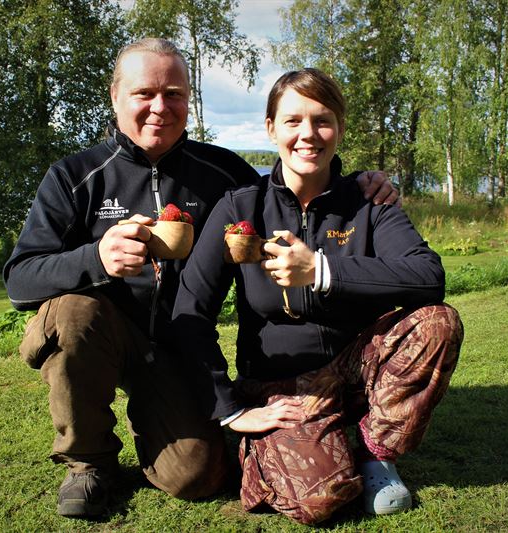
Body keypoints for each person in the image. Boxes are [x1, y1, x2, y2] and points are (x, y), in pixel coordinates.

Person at [4, 39, 399, 519]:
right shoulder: (75, 176)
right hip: (99, 337)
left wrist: (357, 184)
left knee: (197, 477)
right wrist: (96, 258)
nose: (160, 107)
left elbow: (286, 189)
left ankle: (163, 424)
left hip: (178, 350)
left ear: (188, 99)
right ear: (115, 96)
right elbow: (20, 279)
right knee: (74, 311)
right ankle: (88, 463)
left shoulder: (221, 172)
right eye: (144, 93)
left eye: (173, 94)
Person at [172, 68, 463, 525]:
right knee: (321, 501)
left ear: (340, 128)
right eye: (293, 121)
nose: (308, 134)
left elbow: (428, 276)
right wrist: (230, 411)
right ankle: (268, 452)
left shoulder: (370, 203)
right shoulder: (240, 207)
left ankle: (374, 452)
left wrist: (321, 271)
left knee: (437, 322)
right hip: (281, 388)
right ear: (271, 129)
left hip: (356, 371)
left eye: (322, 120)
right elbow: (190, 309)